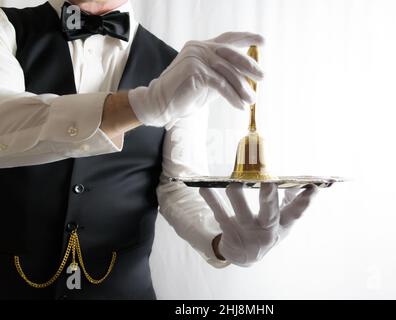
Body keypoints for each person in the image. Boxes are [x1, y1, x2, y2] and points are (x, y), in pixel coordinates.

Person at [0, 0, 319, 300]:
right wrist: (142, 104)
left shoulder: (180, 67)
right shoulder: (8, 27)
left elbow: (178, 186)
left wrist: (221, 242)